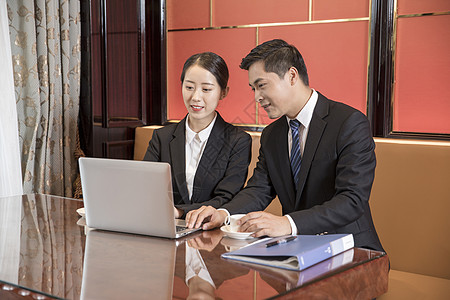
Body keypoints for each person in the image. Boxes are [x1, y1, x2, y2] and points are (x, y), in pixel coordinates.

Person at [186, 39, 384, 252]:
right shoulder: (272, 134)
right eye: (253, 88)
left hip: (353, 250)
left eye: (261, 85)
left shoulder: (349, 123)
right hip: (297, 251)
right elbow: (259, 190)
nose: (256, 97)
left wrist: (287, 223)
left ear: (291, 76)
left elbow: (352, 200)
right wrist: (223, 213)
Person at [143, 52, 252, 218]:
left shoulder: (238, 141)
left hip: (211, 231)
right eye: (189, 87)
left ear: (223, 92)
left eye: (206, 89)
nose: (195, 97)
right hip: (163, 227)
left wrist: (180, 212)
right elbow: (145, 186)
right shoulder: (162, 137)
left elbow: (227, 197)